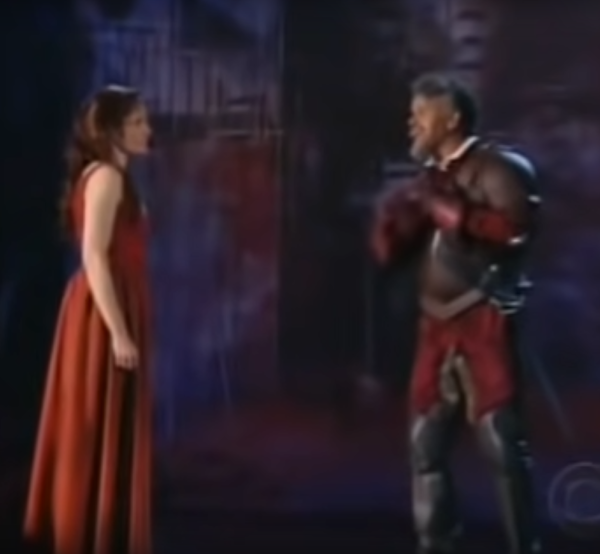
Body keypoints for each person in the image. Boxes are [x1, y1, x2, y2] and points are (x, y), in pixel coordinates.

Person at [370, 73, 541, 554]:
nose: (412, 123)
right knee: (425, 448)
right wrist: (394, 223)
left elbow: (517, 232)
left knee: (502, 447)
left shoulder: (498, 168)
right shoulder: (428, 179)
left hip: (483, 321)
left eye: (422, 114)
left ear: (452, 119)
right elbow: (393, 252)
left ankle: (524, 547)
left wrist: (455, 214)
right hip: (435, 328)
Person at [23, 85, 153, 554]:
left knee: (108, 422)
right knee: (95, 420)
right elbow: (94, 256)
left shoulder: (117, 178)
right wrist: (118, 331)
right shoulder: (106, 179)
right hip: (100, 312)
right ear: (113, 130)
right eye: (137, 122)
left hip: (113, 304)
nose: (147, 130)